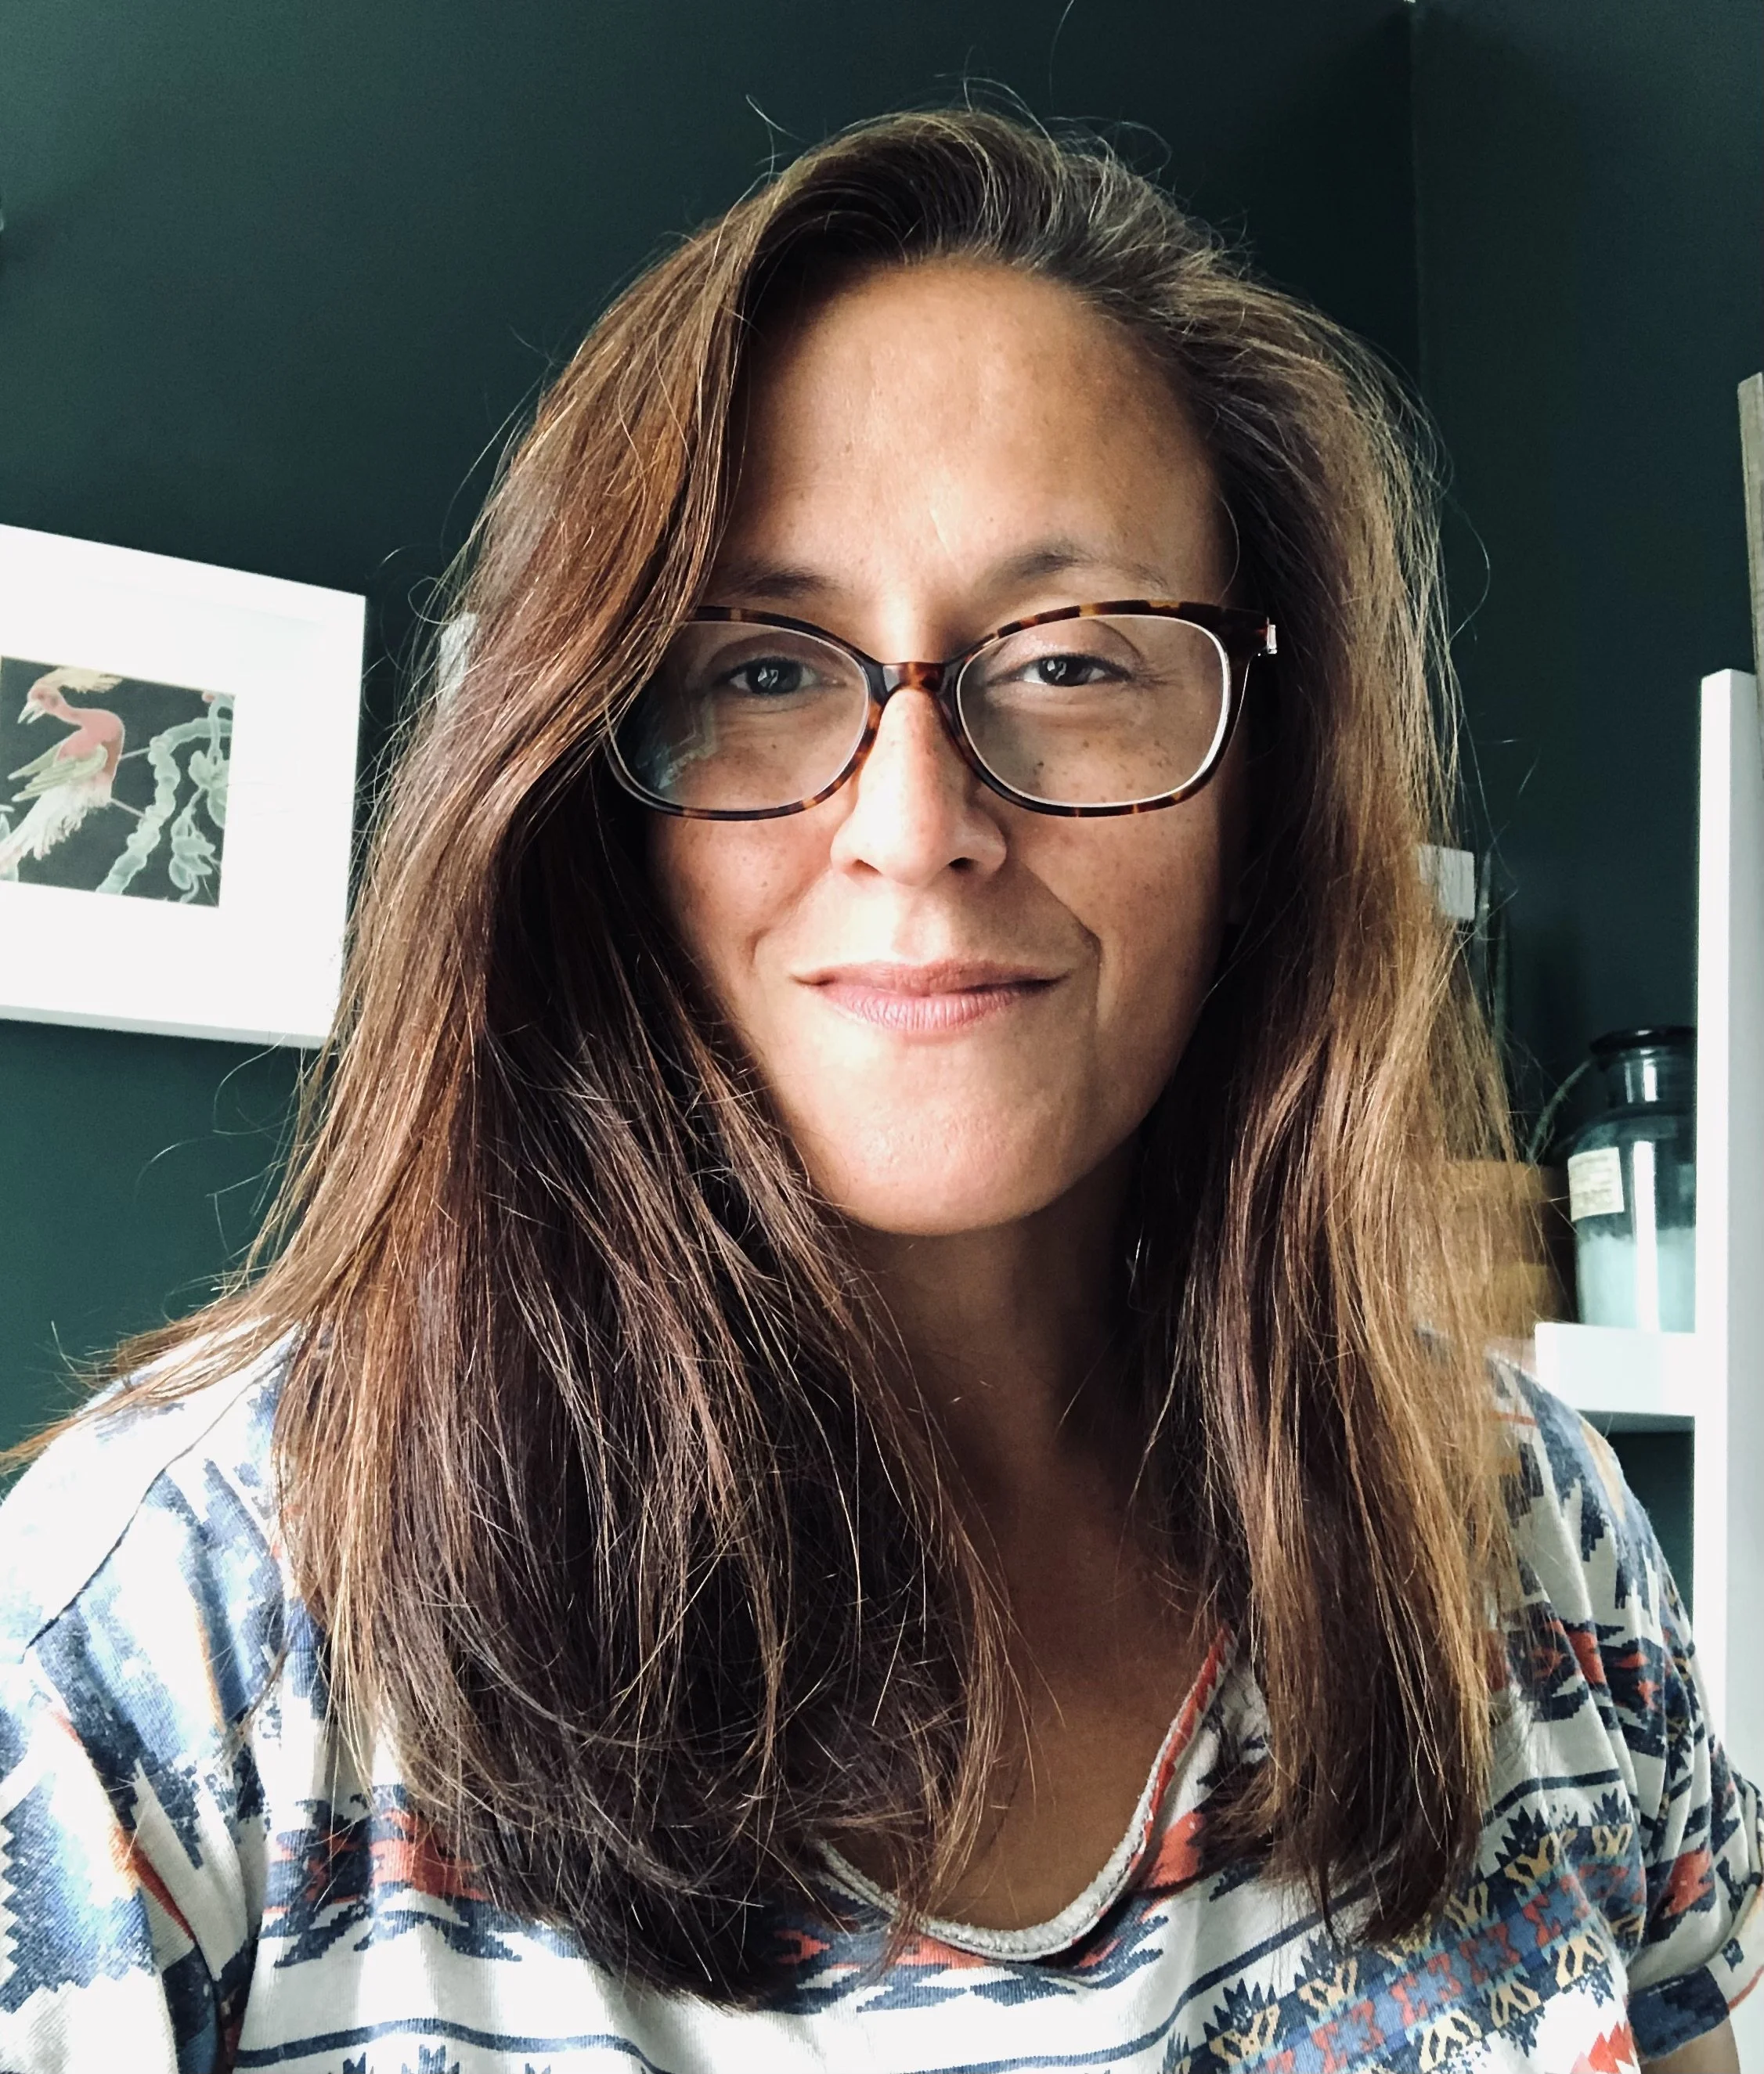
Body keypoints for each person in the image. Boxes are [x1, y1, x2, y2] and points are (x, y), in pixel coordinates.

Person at [0, 109, 1754, 2074]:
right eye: (759, 669)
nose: (915, 827)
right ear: (583, 778)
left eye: (1075, 662)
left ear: (1267, 778)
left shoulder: (1522, 1524)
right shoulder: (162, 1652)